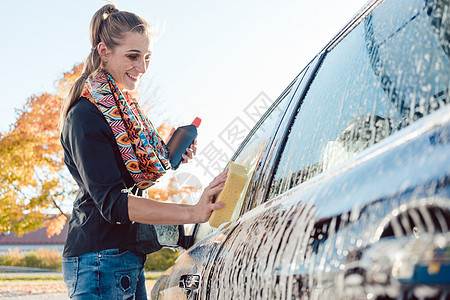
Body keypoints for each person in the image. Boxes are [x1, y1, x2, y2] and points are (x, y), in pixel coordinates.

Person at [59, 4, 226, 299]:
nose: (143, 67)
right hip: (98, 260)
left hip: (126, 257)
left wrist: (165, 155)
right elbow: (113, 203)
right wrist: (193, 212)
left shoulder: (125, 113)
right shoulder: (85, 116)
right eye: (133, 56)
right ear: (104, 51)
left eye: (147, 57)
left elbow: (132, 173)